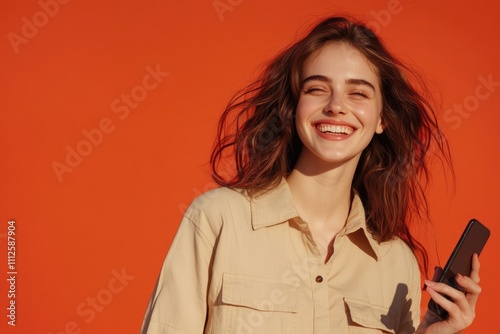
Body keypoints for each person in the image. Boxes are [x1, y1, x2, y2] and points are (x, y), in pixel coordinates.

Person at [141, 16, 482, 333]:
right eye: (317, 89)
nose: (336, 105)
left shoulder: (395, 262)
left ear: (382, 119)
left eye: (358, 92)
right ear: (294, 107)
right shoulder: (217, 220)